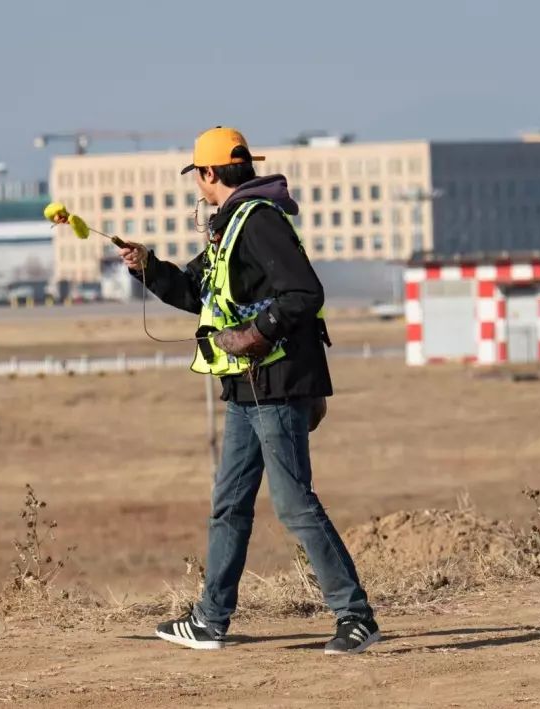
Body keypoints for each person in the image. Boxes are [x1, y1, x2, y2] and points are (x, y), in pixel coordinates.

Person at [120, 126, 379, 655]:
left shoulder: (258, 222)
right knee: (229, 504)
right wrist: (149, 268)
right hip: (246, 389)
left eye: (198, 175)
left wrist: (257, 334)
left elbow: (305, 293)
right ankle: (210, 620)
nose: (198, 185)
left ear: (209, 173)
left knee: (294, 505)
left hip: (276, 386)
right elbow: (197, 291)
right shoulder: (233, 225)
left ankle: (356, 617)